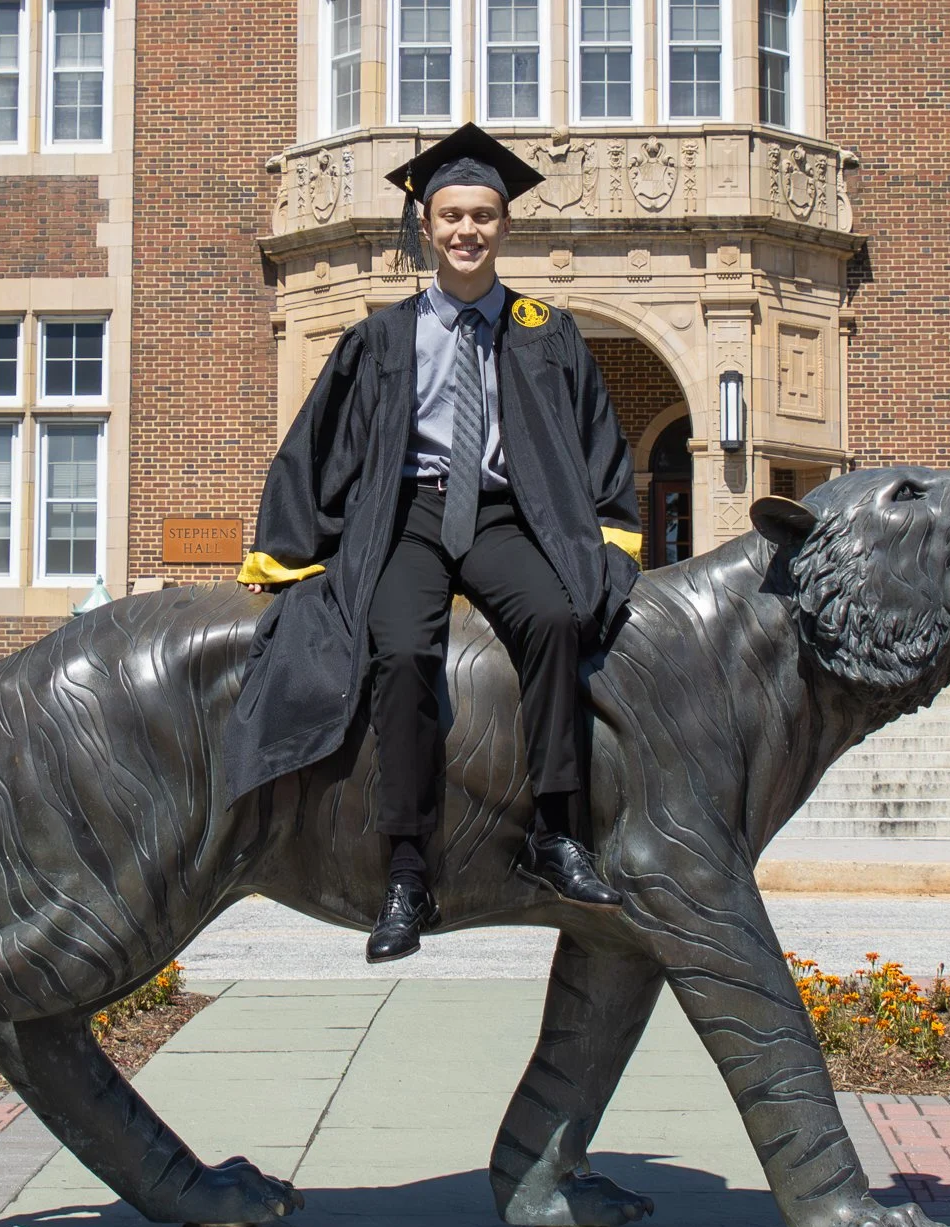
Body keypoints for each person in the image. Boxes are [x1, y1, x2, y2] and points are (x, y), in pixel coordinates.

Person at [224, 124, 642, 964]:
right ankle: (407, 872)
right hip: (409, 513)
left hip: (505, 515)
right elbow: (323, 440)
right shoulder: (383, 336)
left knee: (556, 619)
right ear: (426, 225)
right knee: (406, 649)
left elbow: (597, 440)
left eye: (483, 216)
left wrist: (605, 540)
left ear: (506, 225)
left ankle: (556, 834)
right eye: (452, 216)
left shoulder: (546, 331)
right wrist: (290, 549)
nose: (467, 230)